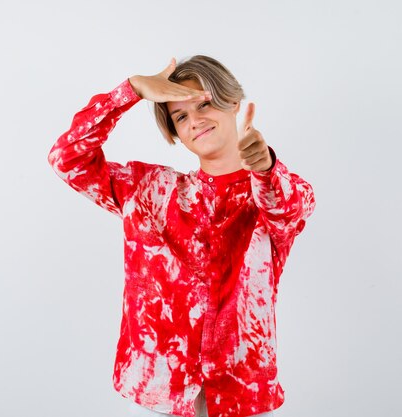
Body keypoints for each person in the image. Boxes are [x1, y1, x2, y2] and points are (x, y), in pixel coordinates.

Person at [47, 55, 315, 417]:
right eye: (181, 116)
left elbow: (287, 207)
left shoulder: (273, 194)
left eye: (204, 104)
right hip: (157, 394)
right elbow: (67, 159)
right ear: (175, 132)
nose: (196, 121)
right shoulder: (149, 190)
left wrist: (264, 165)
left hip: (242, 395)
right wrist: (131, 91)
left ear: (233, 102)